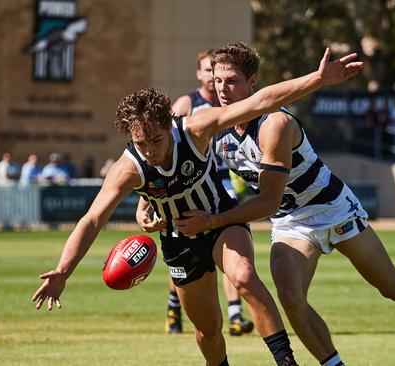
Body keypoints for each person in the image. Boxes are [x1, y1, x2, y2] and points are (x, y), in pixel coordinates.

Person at [32, 47, 364, 366]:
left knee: (244, 275)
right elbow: (92, 220)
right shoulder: (127, 169)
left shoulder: (195, 128)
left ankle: (285, 361)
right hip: (180, 241)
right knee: (208, 330)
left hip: (221, 221)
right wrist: (63, 271)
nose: (150, 151)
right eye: (140, 144)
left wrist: (317, 80)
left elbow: (260, 101)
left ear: (169, 124)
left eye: (156, 141)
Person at [176, 41, 395, 366]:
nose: (222, 88)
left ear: (253, 81)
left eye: (232, 80)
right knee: (291, 297)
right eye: (217, 80)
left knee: (393, 287)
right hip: (291, 221)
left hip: (332, 207)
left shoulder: (275, 125)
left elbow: (267, 201)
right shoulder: (212, 126)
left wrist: (212, 221)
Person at [142, 49, 254, 336]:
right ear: (199, 74)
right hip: (182, 186)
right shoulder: (187, 103)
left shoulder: (231, 102)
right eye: (208, 72)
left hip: (218, 182)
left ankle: (235, 313)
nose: (213, 79)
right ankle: (173, 307)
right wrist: (147, 199)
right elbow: (164, 152)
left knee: (231, 249)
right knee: (182, 243)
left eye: (216, 74)